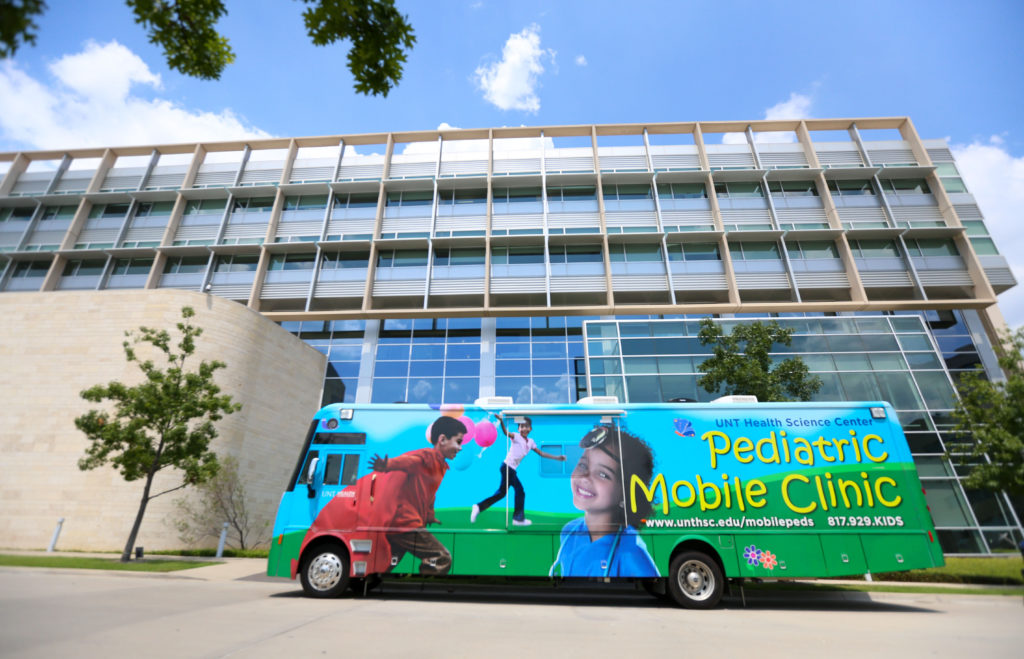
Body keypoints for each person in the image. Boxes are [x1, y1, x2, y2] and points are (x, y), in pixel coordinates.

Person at [549, 425, 659, 578]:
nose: (585, 476)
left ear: (626, 493)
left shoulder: (632, 554)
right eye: (582, 465)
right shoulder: (570, 531)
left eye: (603, 474)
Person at [368, 415, 466, 575]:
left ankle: (372, 576)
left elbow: (429, 493)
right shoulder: (428, 458)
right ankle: (429, 584)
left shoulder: (441, 466)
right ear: (442, 439)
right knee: (442, 557)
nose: (460, 448)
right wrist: (387, 465)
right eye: (458, 442)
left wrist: (429, 515)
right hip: (405, 523)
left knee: (385, 565)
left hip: (401, 524)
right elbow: (409, 462)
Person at [470, 416, 566, 526]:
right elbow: (506, 433)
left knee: (502, 493)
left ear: (530, 428)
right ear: (518, 429)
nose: (524, 429)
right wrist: (501, 421)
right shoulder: (515, 436)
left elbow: (541, 453)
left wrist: (557, 458)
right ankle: (518, 519)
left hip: (511, 469)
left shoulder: (530, 442)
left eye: (526, 426)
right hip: (507, 467)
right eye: (522, 426)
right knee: (519, 490)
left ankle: (478, 506)